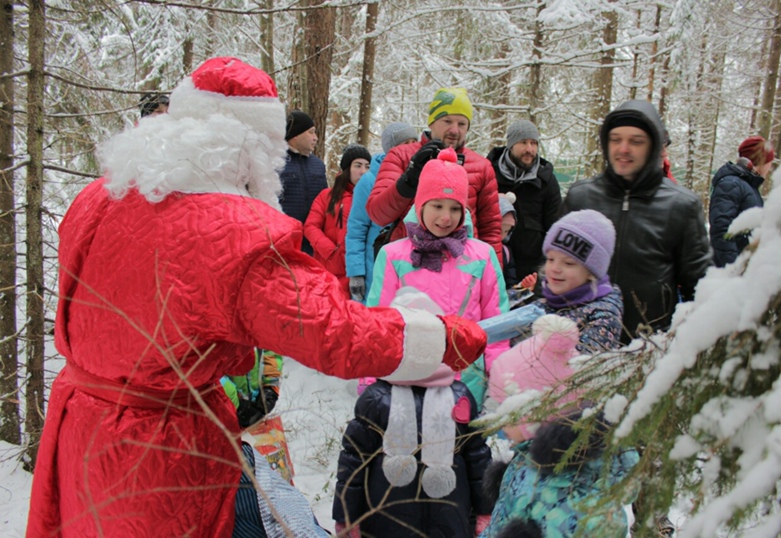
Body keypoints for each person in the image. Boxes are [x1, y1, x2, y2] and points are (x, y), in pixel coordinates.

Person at [25, 56, 488, 538]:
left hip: (80, 428)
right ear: (250, 149)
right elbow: (332, 331)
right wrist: (444, 337)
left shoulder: (98, 197)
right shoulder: (230, 232)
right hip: (166, 452)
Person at [362, 147, 509, 406]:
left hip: (467, 381)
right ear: (420, 205)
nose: (446, 217)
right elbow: (377, 322)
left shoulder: (481, 256)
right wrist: (370, 378)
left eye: (455, 208)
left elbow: (496, 321)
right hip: (408, 379)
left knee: (460, 444)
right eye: (437, 205)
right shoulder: (394, 256)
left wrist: (499, 376)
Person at [561, 99, 712, 344]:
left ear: (652, 146)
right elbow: (551, 266)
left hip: (647, 349)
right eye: (616, 139)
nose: (623, 149)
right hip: (582, 346)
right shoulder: (581, 197)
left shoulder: (681, 206)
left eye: (636, 141)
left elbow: (700, 286)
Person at [481, 316, 639, 537]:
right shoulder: (526, 458)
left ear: (536, 414)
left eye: (506, 409)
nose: (500, 418)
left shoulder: (569, 494)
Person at [332, 361, 493, 537]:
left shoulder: (376, 397)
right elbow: (355, 459)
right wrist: (484, 510)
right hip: (440, 518)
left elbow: (353, 462)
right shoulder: (378, 399)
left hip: (396, 519)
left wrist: (347, 515)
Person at [366, 87, 503, 264]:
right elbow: (378, 214)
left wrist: (493, 276)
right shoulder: (401, 156)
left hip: (461, 269)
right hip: (410, 265)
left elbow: (491, 229)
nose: (455, 130)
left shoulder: (481, 167)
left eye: (462, 124)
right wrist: (409, 180)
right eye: (447, 121)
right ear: (432, 122)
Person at [345, 122, 418, 303]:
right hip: (376, 263)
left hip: (411, 263)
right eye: (405, 143)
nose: (411, 148)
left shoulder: (422, 175)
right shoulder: (369, 180)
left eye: (414, 142)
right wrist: (356, 273)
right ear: (391, 149)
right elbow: (356, 230)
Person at [539, 209, 623, 353]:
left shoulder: (603, 318)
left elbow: (581, 369)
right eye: (551, 259)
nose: (555, 268)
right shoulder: (545, 301)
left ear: (591, 272)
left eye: (569, 263)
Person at [488, 119, 562, 280]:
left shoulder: (547, 181)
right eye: (523, 142)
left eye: (534, 143)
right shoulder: (489, 173)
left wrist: (543, 272)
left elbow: (555, 230)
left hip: (532, 271)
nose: (529, 149)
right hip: (493, 264)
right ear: (511, 144)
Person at [304, 144, 371, 298]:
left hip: (360, 271)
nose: (363, 171)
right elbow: (310, 226)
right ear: (347, 169)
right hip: (328, 270)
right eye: (358, 165)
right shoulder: (327, 196)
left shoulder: (372, 198)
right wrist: (330, 251)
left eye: (367, 166)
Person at [709, 135, 773, 267]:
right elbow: (721, 230)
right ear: (759, 161)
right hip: (732, 273)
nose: (770, 167)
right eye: (769, 162)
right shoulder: (731, 184)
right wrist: (734, 267)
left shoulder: (749, 187)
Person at [280, 109, 328, 255]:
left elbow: (326, 202)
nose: (316, 138)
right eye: (311, 132)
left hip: (313, 243)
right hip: (284, 241)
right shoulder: (276, 162)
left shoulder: (318, 165)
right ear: (296, 134)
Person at [499, 192, 519, 289]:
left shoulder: (506, 252)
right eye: (499, 230)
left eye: (506, 231)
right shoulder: (480, 249)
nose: (502, 235)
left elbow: (510, 277)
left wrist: (517, 288)